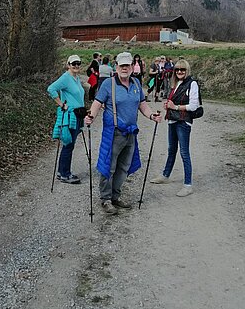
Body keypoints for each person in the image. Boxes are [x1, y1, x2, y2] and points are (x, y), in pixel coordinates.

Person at [85, 51, 162, 214]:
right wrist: (91, 116)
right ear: (116, 66)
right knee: (109, 166)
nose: (125, 68)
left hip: (131, 133)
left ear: (131, 67)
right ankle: (105, 199)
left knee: (124, 167)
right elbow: (98, 103)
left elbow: (142, 104)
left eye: (127, 65)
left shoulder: (135, 83)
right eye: (122, 65)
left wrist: (151, 115)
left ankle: (115, 196)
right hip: (114, 133)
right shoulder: (108, 84)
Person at [150, 59, 199, 197]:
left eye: (182, 70)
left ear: (187, 70)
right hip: (172, 120)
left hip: (183, 121)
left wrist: (175, 107)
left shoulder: (192, 84)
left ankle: (188, 185)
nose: (179, 72)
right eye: (177, 70)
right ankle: (165, 175)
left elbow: (194, 106)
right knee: (171, 149)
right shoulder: (175, 83)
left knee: (184, 152)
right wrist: (168, 105)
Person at [47, 54, 86, 184]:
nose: (76, 66)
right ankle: (65, 174)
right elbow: (51, 89)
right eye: (73, 63)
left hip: (78, 114)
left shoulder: (76, 78)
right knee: (68, 145)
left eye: (78, 63)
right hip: (70, 116)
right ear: (68, 65)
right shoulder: (65, 78)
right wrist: (61, 104)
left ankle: (61, 171)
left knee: (69, 144)